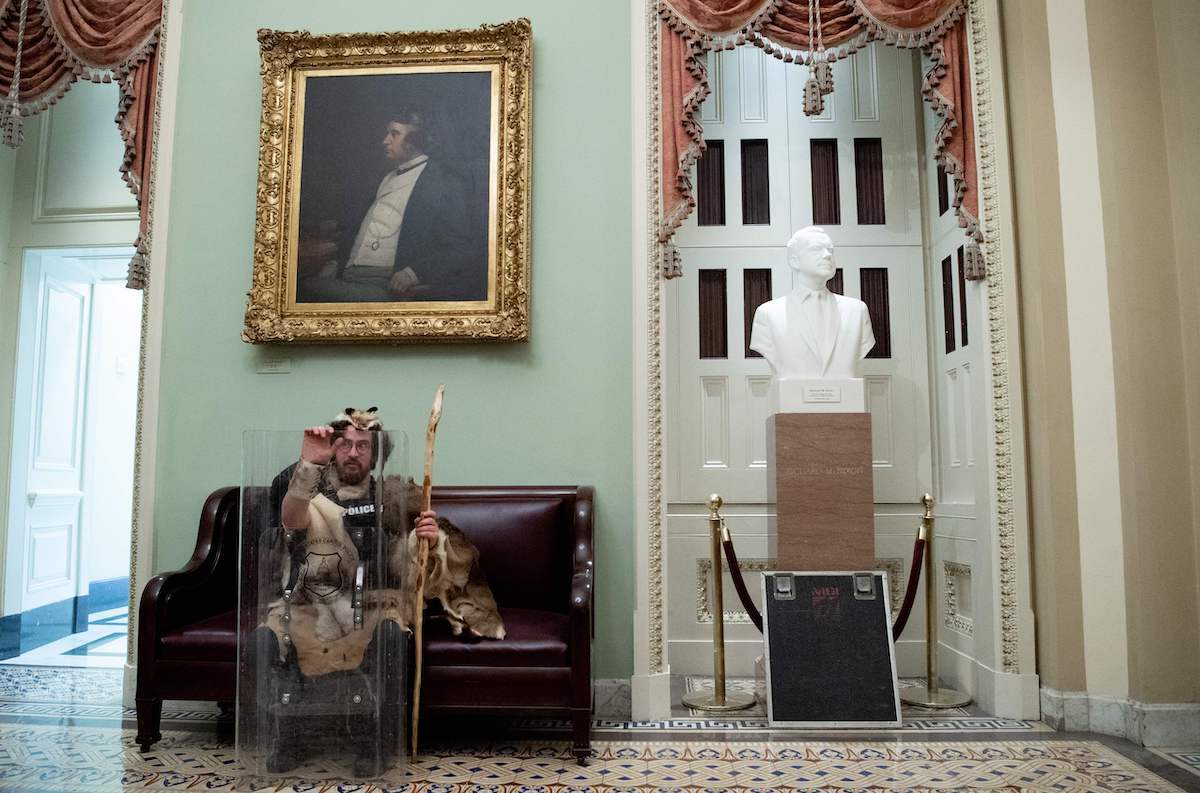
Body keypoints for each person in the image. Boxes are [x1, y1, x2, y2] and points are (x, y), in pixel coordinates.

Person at [296, 109, 486, 303]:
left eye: (394, 134)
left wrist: (413, 273)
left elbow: (460, 248)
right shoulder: (386, 176)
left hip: (385, 284)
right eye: (388, 133)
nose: (385, 141)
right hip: (347, 274)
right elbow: (362, 227)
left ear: (415, 140)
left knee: (304, 288)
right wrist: (338, 262)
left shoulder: (443, 182)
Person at [749, 226, 875, 380]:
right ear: (794, 261)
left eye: (830, 250)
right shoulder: (768, 313)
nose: (827, 255)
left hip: (846, 400)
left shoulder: (857, 311)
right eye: (816, 249)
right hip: (792, 400)